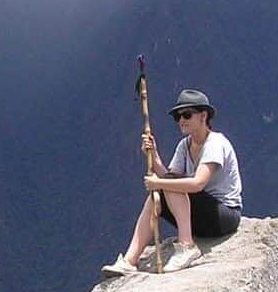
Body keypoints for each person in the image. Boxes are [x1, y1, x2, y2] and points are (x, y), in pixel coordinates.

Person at [102, 88, 242, 275]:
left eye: (186, 114)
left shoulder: (216, 143)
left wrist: (159, 183)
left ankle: (187, 246)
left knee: (163, 186)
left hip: (225, 216)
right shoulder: (184, 145)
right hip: (202, 214)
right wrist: (154, 156)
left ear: (203, 116)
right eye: (178, 116)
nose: (181, 120)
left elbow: (197, 183)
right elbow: (170, 177)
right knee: (157, 195)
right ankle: (130, 260)